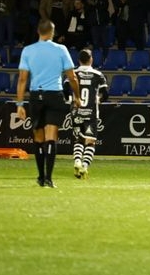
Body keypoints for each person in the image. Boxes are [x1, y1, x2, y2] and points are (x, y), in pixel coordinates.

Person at [16, 19, 81, 188]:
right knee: (51, 136)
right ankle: (49, 178)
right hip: (54, 95)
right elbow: (72, 77)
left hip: (36, 95)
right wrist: (78, 96)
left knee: (38, 137)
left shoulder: (28, 50)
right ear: (52, 33)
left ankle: (40, 176)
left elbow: (22, 79)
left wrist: (19, 104)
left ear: (38, 31)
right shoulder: (61, 49)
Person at [64, 49, 108, 179]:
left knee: (78, 139)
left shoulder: (73, 74)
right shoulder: (98, 75)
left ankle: (77, 161)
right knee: (90, 142)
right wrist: (98, 100)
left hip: (76, 111)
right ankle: (84, 166)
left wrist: (71, 101)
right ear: (91, 60)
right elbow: (105, 94)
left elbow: (65, 90)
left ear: (79, 61)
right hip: (91, 112)